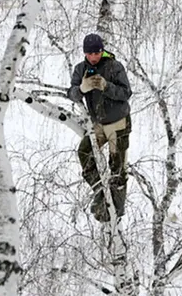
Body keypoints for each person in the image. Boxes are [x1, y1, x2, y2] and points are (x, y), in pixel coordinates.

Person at [67, 33, 132, 222]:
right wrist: (81, 89)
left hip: (118, 123)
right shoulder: (81, 69)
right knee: (84, 153)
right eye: (90, 53)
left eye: (97, 52)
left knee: (117, 168)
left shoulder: (114, 66)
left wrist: (106, 86)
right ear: (85, 54)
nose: (94, 56)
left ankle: (115, 213)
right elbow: (71, 94)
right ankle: (101, 193)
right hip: (98, 124)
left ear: (102, 51)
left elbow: (126, 93)